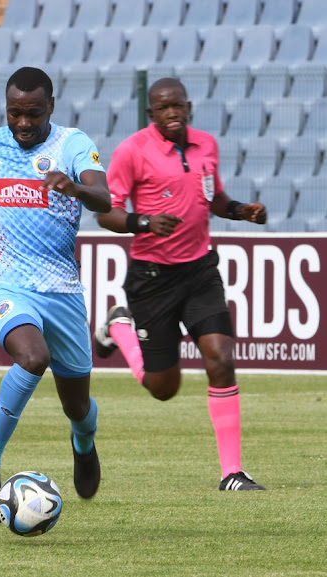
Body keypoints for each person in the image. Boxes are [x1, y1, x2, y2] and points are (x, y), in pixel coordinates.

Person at [95, 77, 267, 491]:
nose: (171, 113)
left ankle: (232, 473)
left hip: (200, 271)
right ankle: (119, 326)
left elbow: (214, 197)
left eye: (177, 106)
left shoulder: (206, 145)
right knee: (163, 388)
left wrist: (241, 209)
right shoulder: (132, 151)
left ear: (188, 106)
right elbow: (106, 213)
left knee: (221, 359)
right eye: (162, 107)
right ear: (151, 114)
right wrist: (144, 222)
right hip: (152, 278)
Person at [0, 66, 111, 524]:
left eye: (32, 113)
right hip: (5, 280)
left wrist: (77, 187)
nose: (23, 123)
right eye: (15, 113)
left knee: (77, 405)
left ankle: (83, 441)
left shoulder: (71, 144)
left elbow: (105, 198)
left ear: (51, 106)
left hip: (62, 290)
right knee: (32, 357)